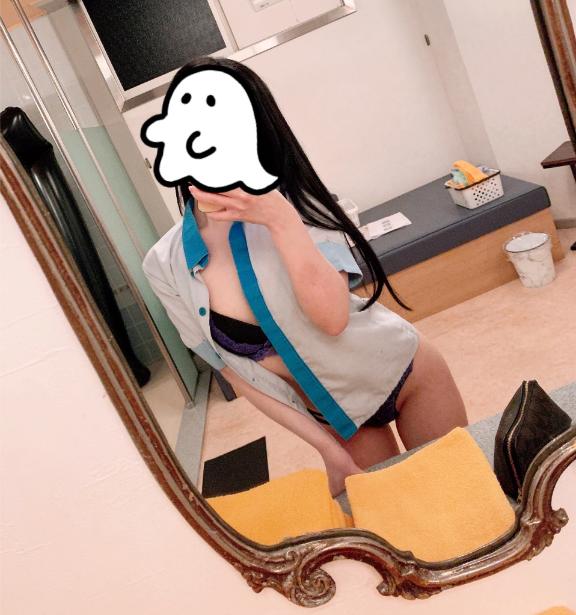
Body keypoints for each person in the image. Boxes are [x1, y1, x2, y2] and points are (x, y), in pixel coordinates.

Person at [142, 57, 468, 496]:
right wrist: (327, 450)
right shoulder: (164, 264)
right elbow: (233, 374)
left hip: (406, 372)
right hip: (337, 416)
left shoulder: (301, 205)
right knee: (400, 515)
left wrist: (281, 220)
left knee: (461, 492)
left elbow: (332, 319)